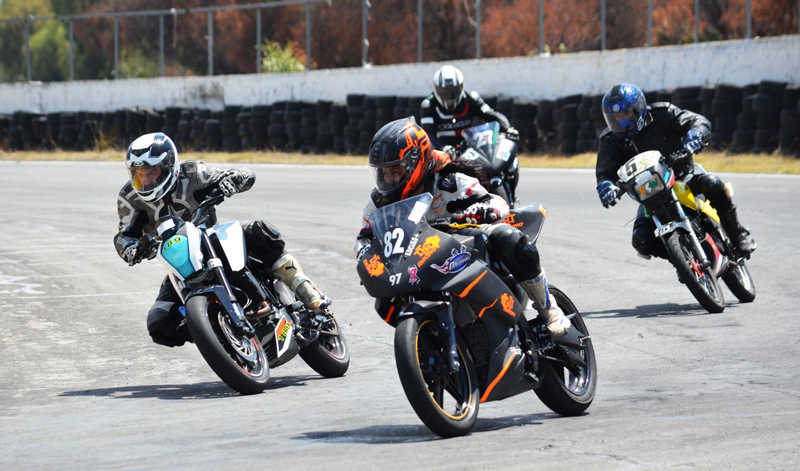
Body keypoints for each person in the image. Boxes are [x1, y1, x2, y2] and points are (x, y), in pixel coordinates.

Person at [357, 118, 570, 338]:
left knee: (509, 239)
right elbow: (363, 237)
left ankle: (548, 308)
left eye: (396, 171)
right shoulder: (379, 202)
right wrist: (365, 255)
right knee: (385, 303)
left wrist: (483, 210)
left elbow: (497, 202)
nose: (390, 179)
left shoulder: (447, 181)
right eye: (384, 173)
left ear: (415, 163)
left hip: (462, 241)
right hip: (418, 256)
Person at [114, 132, 330, 348]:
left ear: (170, 166)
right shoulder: (130, 198)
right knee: (160, 323)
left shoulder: (192, 173)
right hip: (181, 264)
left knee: (259, 231)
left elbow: (244, 173)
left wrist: (234, 179)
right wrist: (130, 249)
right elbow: (124, 235)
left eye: (152, 172)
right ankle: (218, 334)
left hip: (212, 241)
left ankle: (306, 289)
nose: (146, 180)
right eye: (139, 174)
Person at [595, 83, 757, 258]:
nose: (621, 121)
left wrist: (696, 134)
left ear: (639, 108)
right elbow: (605, 172)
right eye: (616, 117)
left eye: (625, 114)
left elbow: (696, 121)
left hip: (682, 176)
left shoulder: (662, 113)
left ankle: (738, 234)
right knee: (640, 240)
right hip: (649, 194)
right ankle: (683, 261)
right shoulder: (610, 140)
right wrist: (606, 187)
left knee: (713, 183)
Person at [420, 64, 518, 154]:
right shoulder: (428, 105)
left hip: (469, 152)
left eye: (453, 91)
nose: (449, 96)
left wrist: (508, 127)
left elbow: (490, 114)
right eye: (445, 92)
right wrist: (444, 147)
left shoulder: (471, 98)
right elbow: (428, 134)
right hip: (443, 155)